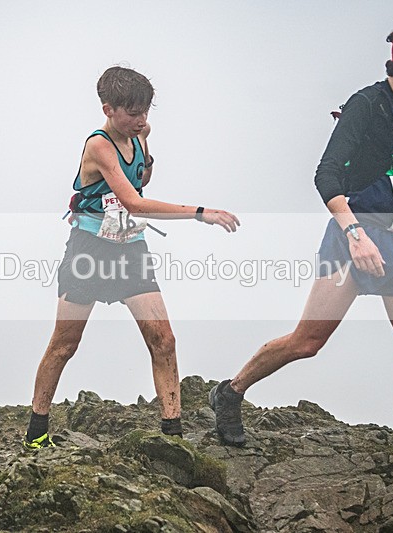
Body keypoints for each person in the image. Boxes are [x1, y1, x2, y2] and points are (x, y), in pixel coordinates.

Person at [209, 11, 393, 512]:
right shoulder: (365, 105)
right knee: (308, 341)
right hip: (352, 241)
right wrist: (356, 232)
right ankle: (230, 391)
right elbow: (326, 176)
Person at [24, 66, 240, 450]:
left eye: (145, 112)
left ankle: (173, 436)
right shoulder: (99, 145)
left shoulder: (141, 133)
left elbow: (142, 178)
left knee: (163, 340)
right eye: (132, 113)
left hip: (130, 247)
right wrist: (200, 212)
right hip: (89, 252)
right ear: (108, 109)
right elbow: (135, 201)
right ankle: (35, 434)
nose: (141, 120)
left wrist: (147, 152)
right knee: (64, 345)